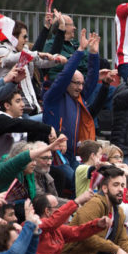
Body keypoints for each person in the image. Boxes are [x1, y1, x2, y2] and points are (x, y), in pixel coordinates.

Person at [41, 29, 100, 165]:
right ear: (68, 82)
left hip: (73, 155)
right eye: (76, 83)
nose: (80, 87)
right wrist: (80, 51)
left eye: (81, 84)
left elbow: (92, 79)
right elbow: (66, 74)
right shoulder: (53, 96)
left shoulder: (78, 97)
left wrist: (93, 54)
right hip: (55, 155)